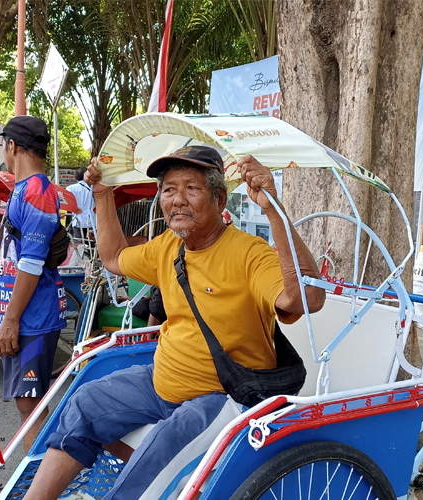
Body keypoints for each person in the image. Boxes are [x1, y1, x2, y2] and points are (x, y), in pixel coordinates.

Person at [22, 146, 326, 500]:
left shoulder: (248, 253)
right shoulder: (169, 245)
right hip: (161, 383)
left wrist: (274, 210)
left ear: (220, 200)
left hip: (226, 397)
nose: (177, 200)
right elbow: (114, 257)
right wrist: (102, 195)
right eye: (169, 189)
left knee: (161, 449)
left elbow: (308, 298)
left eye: (192, 189)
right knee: (84, 402)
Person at [0, 115, 68, 456]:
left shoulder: (36, 191)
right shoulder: (22, 190)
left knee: (31, 405)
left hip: (33, 316)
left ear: (12, 146)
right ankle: (35, 481)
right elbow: (12, 259)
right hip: (22, 312)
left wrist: (10, 318)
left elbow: (32, 263)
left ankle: (37, 485)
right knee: (27, 404)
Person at [66, 167, 95, 240]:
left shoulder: (70, 188)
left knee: (79, 246)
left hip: (77, 222)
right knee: (91, 246)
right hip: (92, 223)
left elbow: (65, 202)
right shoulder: (93, 188)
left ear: (75, 177)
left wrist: (75, 209)